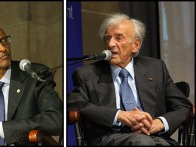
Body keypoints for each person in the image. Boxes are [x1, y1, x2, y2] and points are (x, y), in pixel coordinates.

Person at [67, 13, 192, 146]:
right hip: (109, 138)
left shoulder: (155, 68)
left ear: (135, 45)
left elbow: (182, 105)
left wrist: (158, 123)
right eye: (107, 38)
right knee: (142, 142)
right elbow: (75, 106)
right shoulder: (87, 74)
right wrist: (119, 115)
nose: (110, 44)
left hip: (154, 137)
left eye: (118, 38)